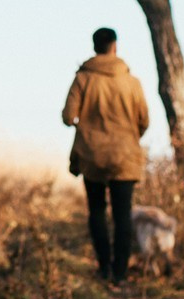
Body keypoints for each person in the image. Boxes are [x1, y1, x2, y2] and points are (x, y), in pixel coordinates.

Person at [61, 27, 150, 284]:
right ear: (115, 46)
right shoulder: (132, 82)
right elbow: (144, 120)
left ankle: (103, 269)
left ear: (94, 47)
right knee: (123, 216)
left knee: (97, 212)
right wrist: (130, 137)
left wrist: (84, 126)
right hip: (125, 156)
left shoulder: (83, 79)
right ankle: (120, 274)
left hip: (91, 156)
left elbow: (68, 116)